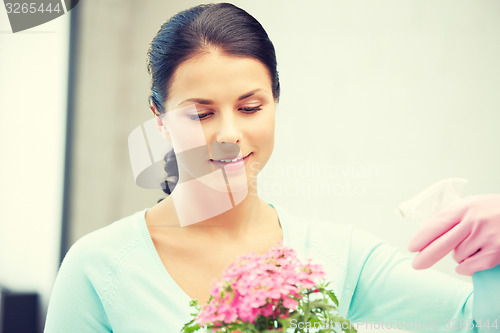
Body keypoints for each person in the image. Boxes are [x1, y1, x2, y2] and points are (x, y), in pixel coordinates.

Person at [44, 3, 500, 332]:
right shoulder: (98, 269)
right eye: (200, 114)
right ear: (160, 120)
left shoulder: (339, 256)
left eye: (250, 107)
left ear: (275, 104)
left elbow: (475, 320)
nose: (227, 135)